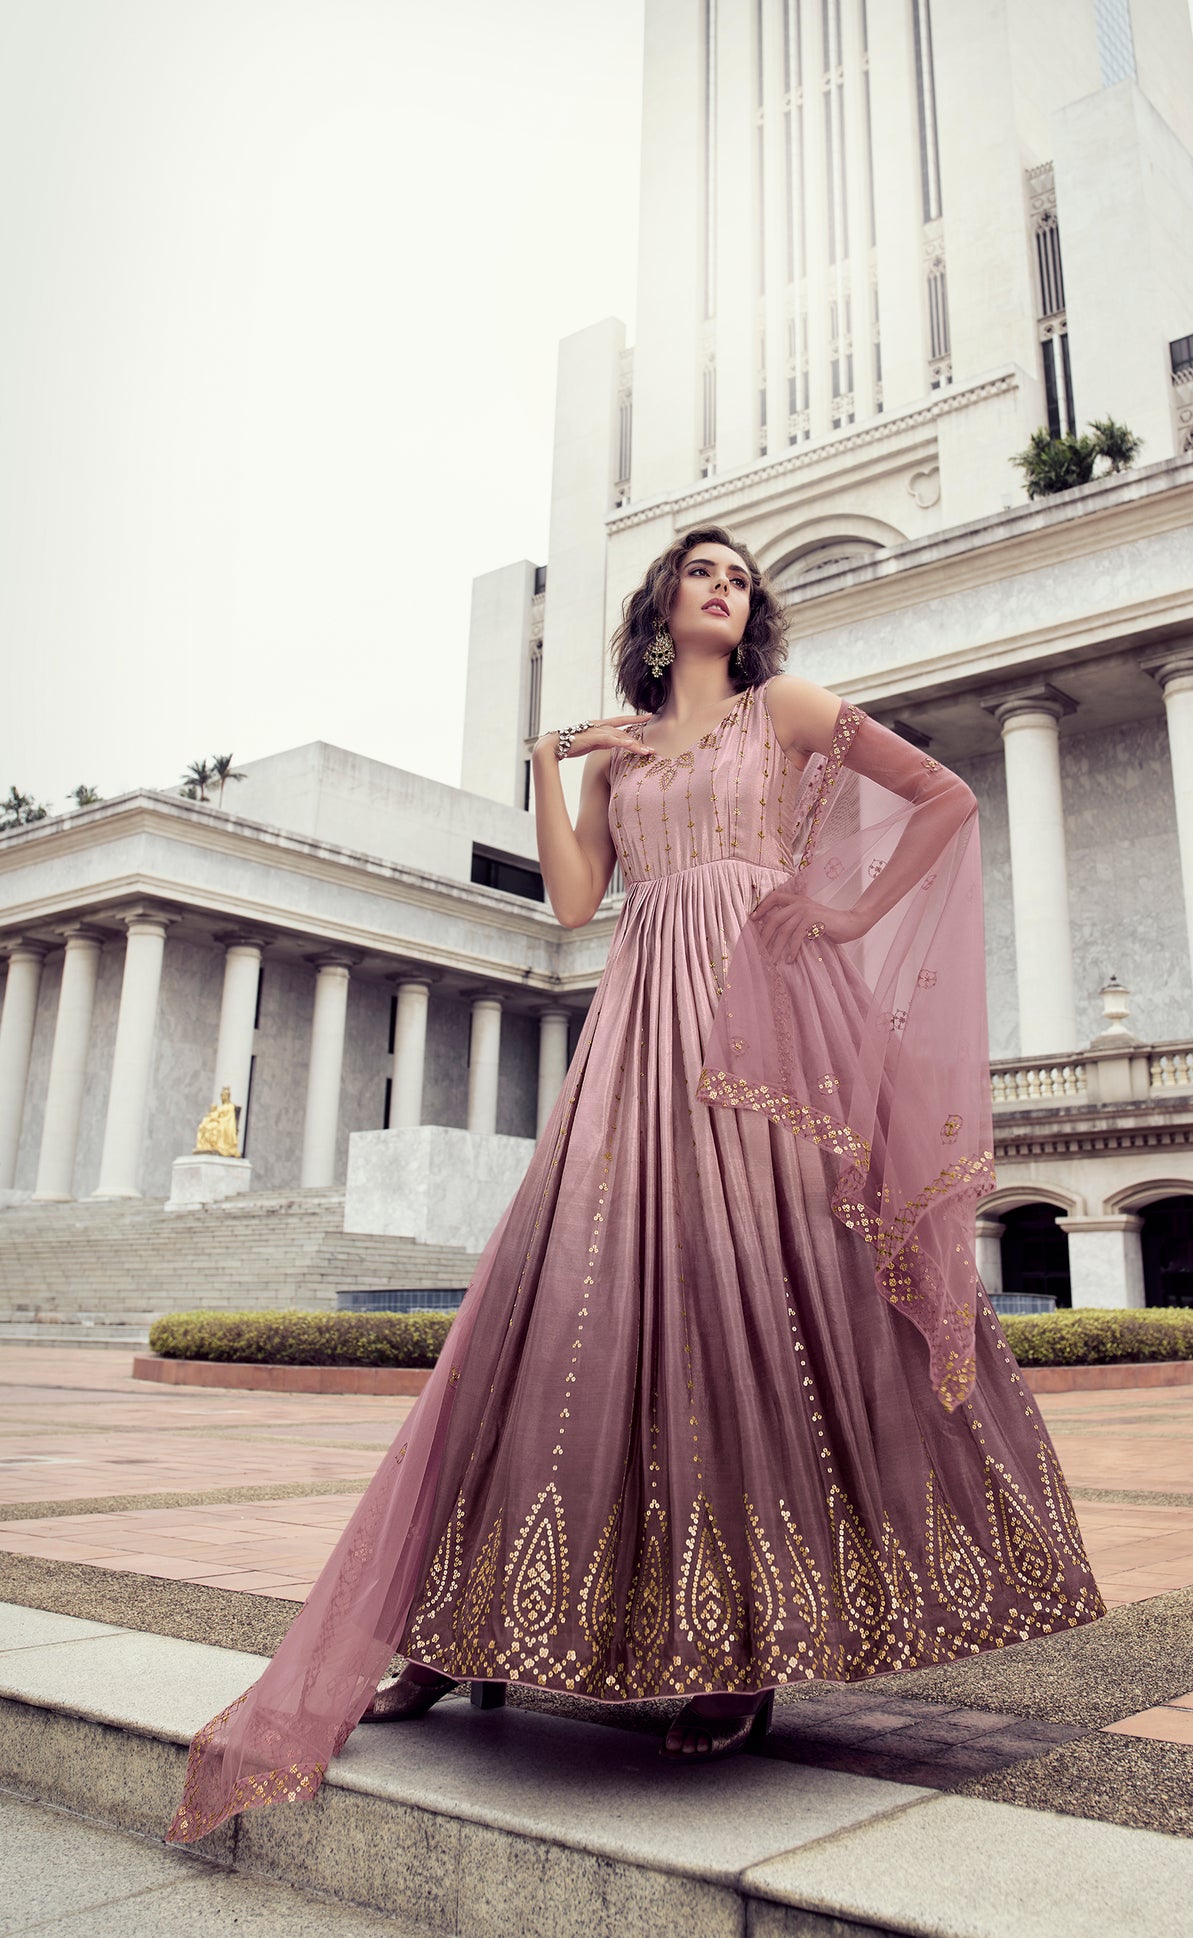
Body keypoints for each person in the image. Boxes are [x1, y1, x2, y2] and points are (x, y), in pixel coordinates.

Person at [167, 526, 1104, 1843]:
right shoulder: (622, 753)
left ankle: (737, 1648)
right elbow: (570, 904)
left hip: (772, 1025)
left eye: (740, 576)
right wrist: (554, 769)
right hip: (639, 1020)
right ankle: (465, 1621)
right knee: (558, 1309)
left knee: (752, 1304)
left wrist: (840, 911)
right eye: (701, 570)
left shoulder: (784, 708)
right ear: (662, 605)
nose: (725, 586)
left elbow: (942, 799)